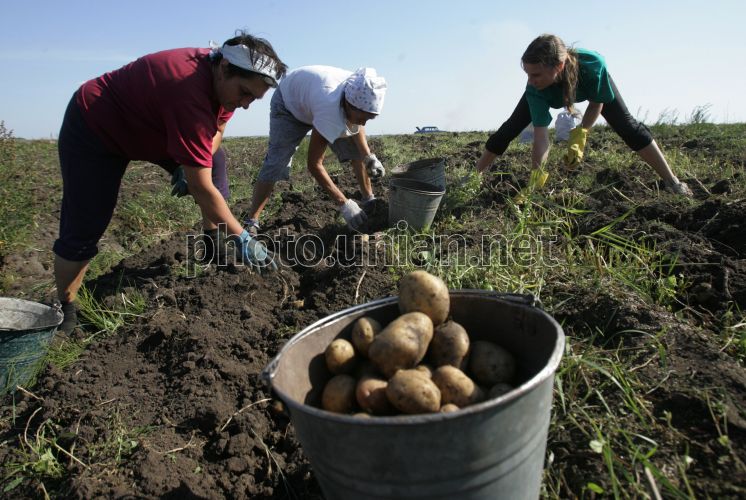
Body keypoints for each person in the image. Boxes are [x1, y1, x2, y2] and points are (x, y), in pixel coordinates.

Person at [53, 31, 287, 336]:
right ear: (224, 69)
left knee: (214, 161)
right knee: (86, 223)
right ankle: (64, 309)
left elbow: (218, 128)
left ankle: (213, 243)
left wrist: (189, 162)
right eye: (244, 93)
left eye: (252, 99)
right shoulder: (187, 90)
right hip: (97, 128)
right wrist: (243, 238)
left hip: (152, 127)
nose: (244, 105)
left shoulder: (225, 83)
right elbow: (201, 187)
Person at [471, 34, 692, 196]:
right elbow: (541, 136)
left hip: (590, 85)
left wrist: (581, 133)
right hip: (548, 93)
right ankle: (474, 177)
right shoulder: (534, 88)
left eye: (535, 74)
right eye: (527, 74)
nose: (530, 80)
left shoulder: (593, 66)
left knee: (628, 126)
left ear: (558, 66)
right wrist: (535, 179)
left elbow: (597, 103)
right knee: (510, 128)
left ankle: (672, 182)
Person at [243, 65, 387, 234]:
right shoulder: (330, 106)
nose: (363, 123)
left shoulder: (360, 91)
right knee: (277, 162)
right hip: (289, 105)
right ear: (348, 104)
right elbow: (314, 164)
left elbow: (357, 124)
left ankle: (369, 199)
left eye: (369, 118)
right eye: (362, 117)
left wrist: (368, 157)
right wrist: (344, 204)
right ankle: (252, 220)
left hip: (314, 98)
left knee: (356, 149)